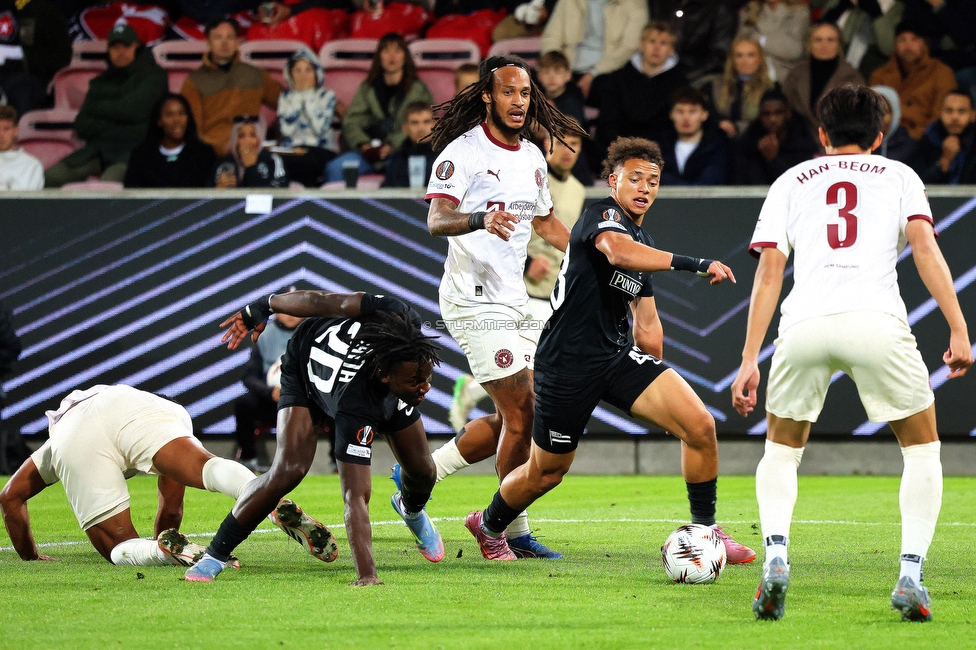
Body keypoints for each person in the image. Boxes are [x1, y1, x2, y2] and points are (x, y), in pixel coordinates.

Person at [730, 84, 972, 622]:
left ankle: (775, 560)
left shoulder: (791, 179)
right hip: (876, 322)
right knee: (922, 450)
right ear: (880, 137)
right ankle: (910, 573)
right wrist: (958, 327)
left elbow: (770, 272)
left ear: (821, 134)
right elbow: (926, 248)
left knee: (782, 451)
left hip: (805, 324)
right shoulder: (901, 175)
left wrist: (749, 358)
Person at [462, 136, 755, 564]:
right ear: (613, 180)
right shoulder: (601, 215)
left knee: (699, 425)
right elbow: (616, 253)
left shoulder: (642, 240)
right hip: (565, 366)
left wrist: (658, 388)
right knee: (548, 472)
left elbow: (649, 323)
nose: (645, 187)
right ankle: (487, 525)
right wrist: (694, 263)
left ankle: (706, 531)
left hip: (616, 359)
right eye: (635, 178)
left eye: (653, 180)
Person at [422, 54, 587, 559]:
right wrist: (478, 220)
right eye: (510, 92)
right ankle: (501, 528)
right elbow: (436, 218)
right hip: (473, 299)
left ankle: (422, 470)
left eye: (526, 93)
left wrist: (594, 252)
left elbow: (545, 223)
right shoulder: (463, 152)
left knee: (521, 413)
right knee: (524, 411)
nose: (520, 101)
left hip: (515, 299)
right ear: (488, 97)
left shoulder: (534, 156)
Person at [184, 290, 444, 585]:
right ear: (386, 375)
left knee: (423, 472)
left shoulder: (399, 316)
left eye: (427, 378)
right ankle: (215, 554)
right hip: (304, 368)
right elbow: (356, 497)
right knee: (288, 470)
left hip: (366, 384)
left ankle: (410, 508)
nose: (425, 389)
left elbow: (324, 303)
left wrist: (415, 381)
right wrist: (367, 575)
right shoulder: (355, 405)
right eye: (415, 382)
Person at [0, 385, 269, 566]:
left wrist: (30, 557)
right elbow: (172, 508)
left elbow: (10, 497)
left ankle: (158, 552)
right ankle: (261, 491)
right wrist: (165, 532)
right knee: (207, 467)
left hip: (74, 429)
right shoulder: (170, 413)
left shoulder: (57, 442)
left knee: (119, 546)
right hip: (140, 407)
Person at [447, 129, 586, 433]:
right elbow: (506, 225)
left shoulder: (577, 189)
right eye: (560, 142)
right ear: (547, 144)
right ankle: (491, 412)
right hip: (519, 287)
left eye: (574, 144)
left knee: (527, 371)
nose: (566, 150)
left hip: (553, 287)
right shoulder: (525, 172)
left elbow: (559, 232)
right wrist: (525, 265)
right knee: (530, 376)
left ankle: (472, 393)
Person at [44, 23, 167, 187]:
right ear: (108, 49)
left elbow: (132, 111)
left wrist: (99, 108)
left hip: (134, 151)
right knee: (49, 177)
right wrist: (121, 123)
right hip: (98, 149)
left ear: (136, 47)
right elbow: (82, 125)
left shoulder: (154, 77)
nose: (120, 52)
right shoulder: (101, 81)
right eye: (115, 47)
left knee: (106, 187)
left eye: (126, 46)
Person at [325, 33, 434, 183]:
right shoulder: (367, 87)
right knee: (335, 168)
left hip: (403, 153)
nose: (392, 56)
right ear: (379, 56)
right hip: (367, 153)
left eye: (397, 51)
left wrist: (392, 145)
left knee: (401, 170)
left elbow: (419, 125)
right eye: (386, 51)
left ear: (405, 57)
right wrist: (364, 144)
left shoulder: (418, 89)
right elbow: (352, 121)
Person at [181, 15, 282, 156]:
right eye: (218, 37)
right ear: (208, 42)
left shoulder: (254, 75)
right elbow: (193, 131)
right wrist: (219, 148)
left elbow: (285, 102)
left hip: (251, 149)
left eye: (230, 37)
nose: (224, 43)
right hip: (212, 155)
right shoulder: (194, 82)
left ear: (237, 42)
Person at [592, 21, 688, 156]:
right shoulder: (618, 79)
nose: (656, 48)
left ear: (671, 49)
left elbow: (671, 129)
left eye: (663, 43)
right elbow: (608, 122)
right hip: (617, 152)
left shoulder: (680, 84)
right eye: (652, 41)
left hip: (657, 156)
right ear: (641, 45)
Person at [233, 309, 305, 471]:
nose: (291, 313)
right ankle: (248, 459)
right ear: (277, 312)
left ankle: (337, 461)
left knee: (336, 405)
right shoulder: (264, 336)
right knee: (244, 403)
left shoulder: (316, 335)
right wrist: (270, 392)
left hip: (307, 402)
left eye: (296, 308)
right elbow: (249, 377)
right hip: (272, 402)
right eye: (286, 309)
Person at [539, 0, 648, 99]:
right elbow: (551, 37)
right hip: (568, 68)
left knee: (614, 89)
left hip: (607, 71)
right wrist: (555, 69)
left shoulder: (635, 4)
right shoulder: (568, 2)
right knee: (532, 84)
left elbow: (629, 47)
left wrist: (592, 73)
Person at [869, 22, 958, 141]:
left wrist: (915, 133)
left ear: (925, 44)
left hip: (922, 139)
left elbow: (940, 118)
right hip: (883, 138)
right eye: (902, 40)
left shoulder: (941, 73)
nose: (908, 45)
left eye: (914, 39)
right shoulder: (880, 75)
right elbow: (871, 114)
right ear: (895, 44)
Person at [782, 22, 864, 144]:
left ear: (839, 45)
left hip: (838, 143)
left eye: (830, 40)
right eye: (818, 40)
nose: (824, 45)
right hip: (798, 142)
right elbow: (785, 107)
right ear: (809, 44)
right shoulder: (796, 74)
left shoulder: (852, 77)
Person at [123, 93, 218, 189]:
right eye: (169, 115)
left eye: (181, 113)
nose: (177, 120)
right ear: (159, 121)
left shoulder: (204, 154)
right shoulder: (141, 156)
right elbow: (131, 195)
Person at [276, 48, 340, 188]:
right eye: (297, 71)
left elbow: (320, 128)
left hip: (320, 149)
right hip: (292, 150)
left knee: (306, 160)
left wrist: (309, 96)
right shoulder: (285, 97)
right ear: (290, 74)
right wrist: (298, 97)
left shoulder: (327, 96)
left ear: (316, 74)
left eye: (308, 70)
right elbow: (286, 130)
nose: (302, 75)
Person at [732, 88, 818, 185]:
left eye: (778, 113)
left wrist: (774, 160)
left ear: (788, 113)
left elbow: (800, 182)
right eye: (766, 114)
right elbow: (742, 181)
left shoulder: (802, 140)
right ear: (760, 115)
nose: (772, 119)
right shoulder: (749, 141)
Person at [701, 35, 776, 139]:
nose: (745, 61)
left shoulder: (771, 89)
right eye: (739, 55)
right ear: (732, 59)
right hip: (717, 140)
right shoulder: (713, 85)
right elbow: (704, 114)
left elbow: (770, 124)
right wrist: (718, 123)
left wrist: (737, 127)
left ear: (760, 59)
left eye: (751, 55)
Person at [658, 86, 731, 186]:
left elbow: (712, 180)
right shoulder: (658, 147)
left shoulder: (718, 146)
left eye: (692, 111)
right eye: (680, 111)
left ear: (704, 115)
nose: (686, 118)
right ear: (671, 114)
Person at [906, 89, 976, 184]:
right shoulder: (927, 141)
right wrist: (944, 162)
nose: (955, 117)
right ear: (941, 113)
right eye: (949, 111)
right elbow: (914, 186)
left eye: (961, 111)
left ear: (972, 115)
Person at [737, 0, 810, 83]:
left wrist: (759, 39)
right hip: (752, 76)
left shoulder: (799, 12)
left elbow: (793, 50)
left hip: (784, 79)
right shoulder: (748, 11)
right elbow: (741, 46)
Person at [212, 116, 290, 188]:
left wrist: (251, 167)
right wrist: (219, 189)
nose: (247, 141)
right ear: (235, 140)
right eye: (241, 136)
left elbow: (279, 194)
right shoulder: (224, 163)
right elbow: (207, 196)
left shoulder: (273, 161)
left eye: (253, 135)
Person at [382, 101, 437, 188]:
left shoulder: (447, 158)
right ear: (405, 127)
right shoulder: (396, 161)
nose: (421, 128)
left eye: (426, 122)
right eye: (414, 123)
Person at [0, 105, 43, 190]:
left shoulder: (32, 166)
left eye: (6, 129)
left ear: (15, 130)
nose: (1, 135)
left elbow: (29, 202)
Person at [872, 84, 916, 162]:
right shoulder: (851, 144)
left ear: (895, 114)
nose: (876, 117)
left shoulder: (908, 146)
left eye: (883, 112)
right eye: (871, 110)